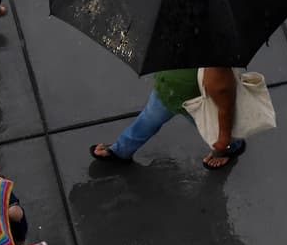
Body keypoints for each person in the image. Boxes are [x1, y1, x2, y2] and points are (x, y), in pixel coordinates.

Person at [89, 68, 246, 170]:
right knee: (148, 119)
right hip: (167, 92)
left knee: (210, 127)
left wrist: (223, 142)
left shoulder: (215, 61)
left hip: (195, 102)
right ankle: (122, 150)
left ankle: (230, 146)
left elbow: (225, 102)